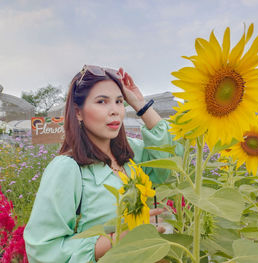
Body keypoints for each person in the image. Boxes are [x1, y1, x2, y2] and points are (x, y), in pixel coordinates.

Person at [24, 65, 181, 263]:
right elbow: (43, 250)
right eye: (102, 101)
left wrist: (141, 105)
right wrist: (119, 237)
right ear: (78, 112)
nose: (115, 110)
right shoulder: (67, 168)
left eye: (119, 101)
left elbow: (171, 162)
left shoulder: (130, 154)